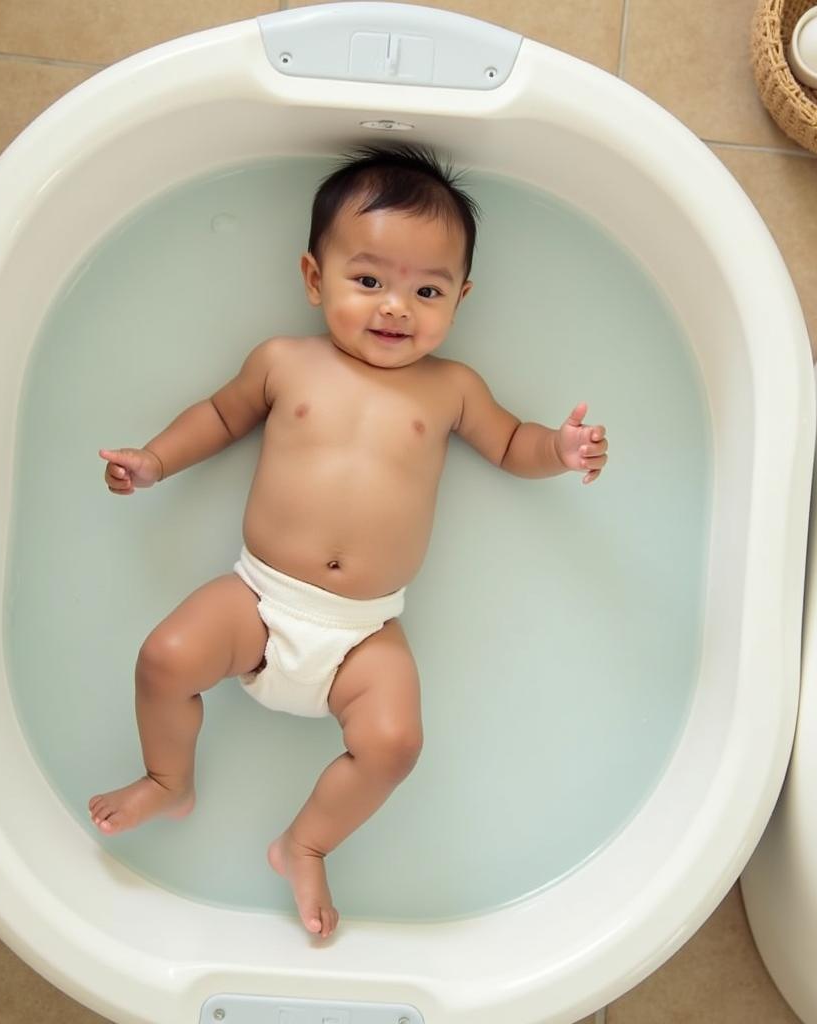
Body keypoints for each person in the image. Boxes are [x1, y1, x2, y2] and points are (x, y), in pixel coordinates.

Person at [88, 145, 608, 939]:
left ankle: (304, 843)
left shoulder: (452, 389)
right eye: (369, 281)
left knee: (396, 743)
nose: (396, 307)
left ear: (460, 299)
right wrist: (155, 460)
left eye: (427, 290)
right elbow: (221, 417)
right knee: (164, 657)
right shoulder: (283, 363)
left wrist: (559, 451)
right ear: (313, 278)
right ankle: (169, 778)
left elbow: (510, 445)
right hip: (258, 599)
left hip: (364, 634)